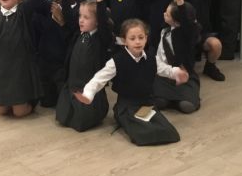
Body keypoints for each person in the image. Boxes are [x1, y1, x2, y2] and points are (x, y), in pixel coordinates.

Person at [74, 18, 188, 146]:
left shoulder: (151, 58)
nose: (137, 42)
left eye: (141, 37)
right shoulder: (117, 61)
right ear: (124, 41)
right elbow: (99, 79)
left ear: (146, 38)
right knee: (142, 134)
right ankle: (121, 117)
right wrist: (88, 94)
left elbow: (165, 69)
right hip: (127, 105)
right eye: (132, 38)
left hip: (147, 104)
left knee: (169, 132)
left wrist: (177, 73)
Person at [56, 0, 110, 132]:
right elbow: (68, 16)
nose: (81, 20)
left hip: (89, 85)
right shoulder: (78, 33)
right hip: (73, 83)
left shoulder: (101, 38)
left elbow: (104, 21)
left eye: (86, 17)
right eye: (80, 16)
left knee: (82, 121)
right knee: (64, 117)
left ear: (97, 21)